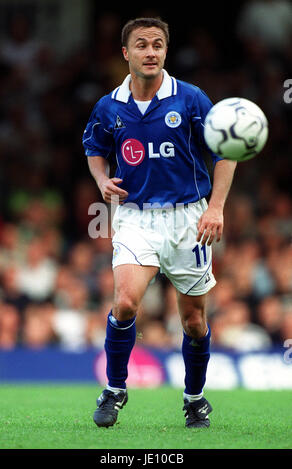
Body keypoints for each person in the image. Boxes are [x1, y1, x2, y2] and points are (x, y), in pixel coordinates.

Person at [82, 17, 236, 429]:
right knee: (126, 302)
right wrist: (100, 180)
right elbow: (94, 145)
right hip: (135, 216)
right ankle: (115, 390)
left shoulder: (190, 98)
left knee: (193, 321)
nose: (150, 52)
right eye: (142, 45)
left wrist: (216, 207)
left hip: (189, 218)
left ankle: (195, 398)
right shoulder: (109, 105)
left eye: (157, 45)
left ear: (165, 52)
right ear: (126, 53)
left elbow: (226, 152)